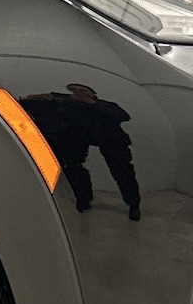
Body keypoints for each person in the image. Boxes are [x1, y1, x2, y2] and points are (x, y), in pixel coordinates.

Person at [20, 83, 142, 221]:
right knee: (74, 167)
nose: (77, 92)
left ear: (92, 93)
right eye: (74, 90)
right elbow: (32, 103)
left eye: (82, 90)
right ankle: (84, 199)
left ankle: (134, 204)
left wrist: (93, 103)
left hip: (112, 140)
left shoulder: (105, 105)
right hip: (80, 140)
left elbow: (123, 116)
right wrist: (35, 99)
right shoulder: (67, 102)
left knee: (122, 171)